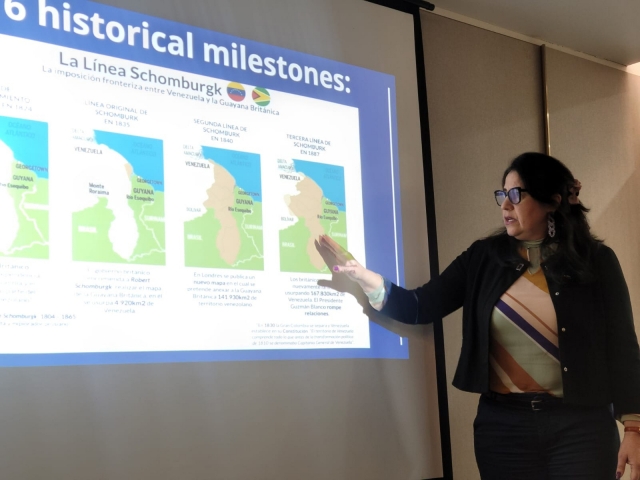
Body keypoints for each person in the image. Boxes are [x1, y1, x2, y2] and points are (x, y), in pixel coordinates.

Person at [319, 152, 640, 480]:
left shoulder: (595, 260)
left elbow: (623, 346)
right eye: (502, 195)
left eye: (516, 195)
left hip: (581, 428)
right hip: (504, 430)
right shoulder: (483, 258)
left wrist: (634, 428)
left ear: (552, 202)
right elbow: (420, 305)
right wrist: (362, 276)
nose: (505, 205)